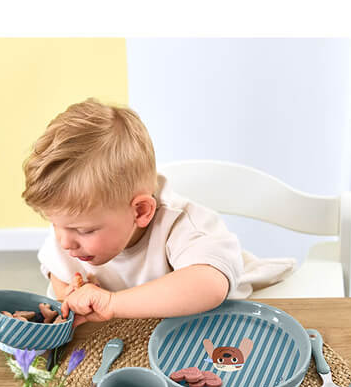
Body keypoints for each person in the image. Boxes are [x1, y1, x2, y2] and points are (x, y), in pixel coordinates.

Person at [22, 99, 295, 326]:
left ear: (141, 210)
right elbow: (57, 269)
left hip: (224, 323)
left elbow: (209, 286)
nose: (64, 242)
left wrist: (112, 303)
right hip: (135, 336)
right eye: (54, 224)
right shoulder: (72, 229)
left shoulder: (181, 226)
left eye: (84, 230)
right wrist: (70, 295)